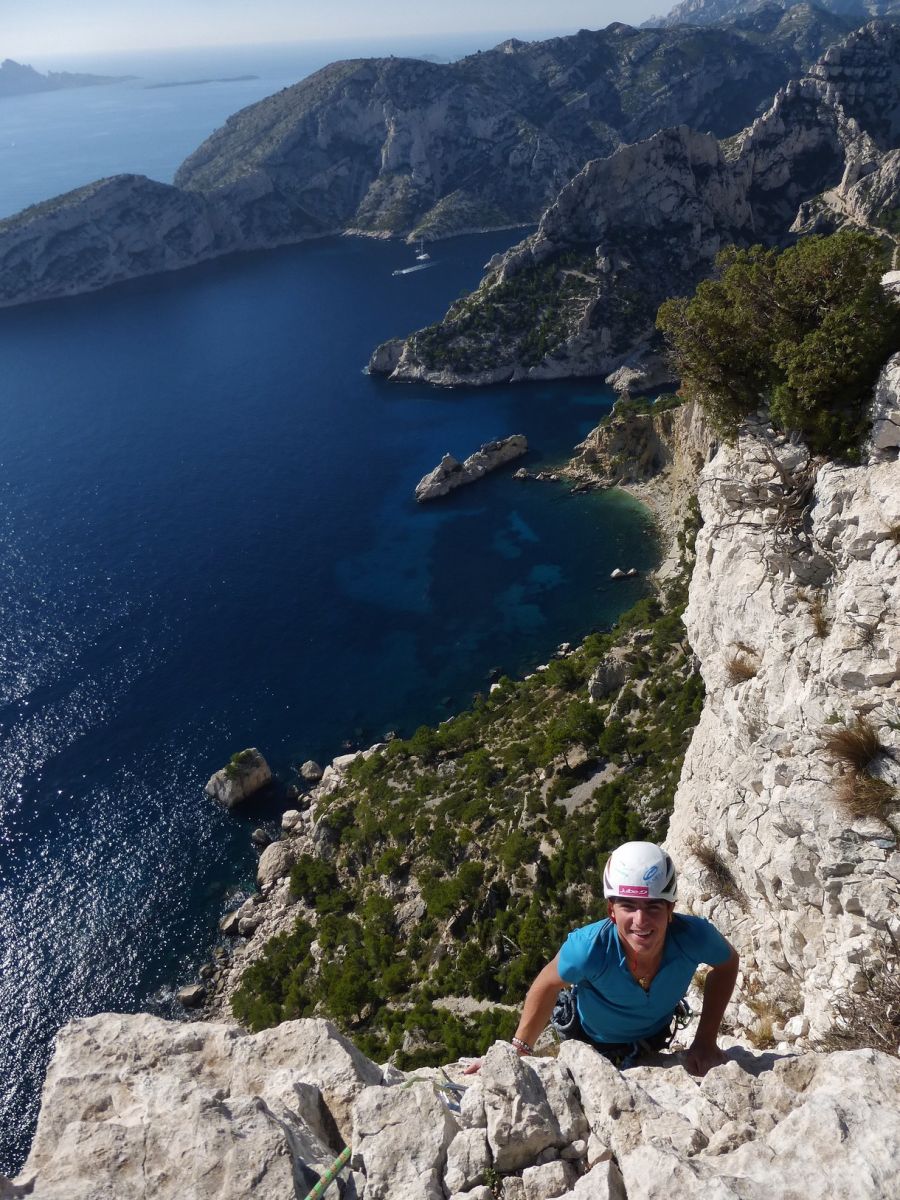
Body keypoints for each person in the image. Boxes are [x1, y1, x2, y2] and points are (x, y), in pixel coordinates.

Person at [466, 841, 739, 1077]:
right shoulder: (588, 949)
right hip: (588, 1041)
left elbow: (727, 964)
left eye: (653, 906)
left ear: (670, 910)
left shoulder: (694, 937)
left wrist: (705, 1039)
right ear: (611, 911)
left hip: (653, 1039)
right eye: (628, 906)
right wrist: (518, 1050)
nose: (640, 921)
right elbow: (547, 984)